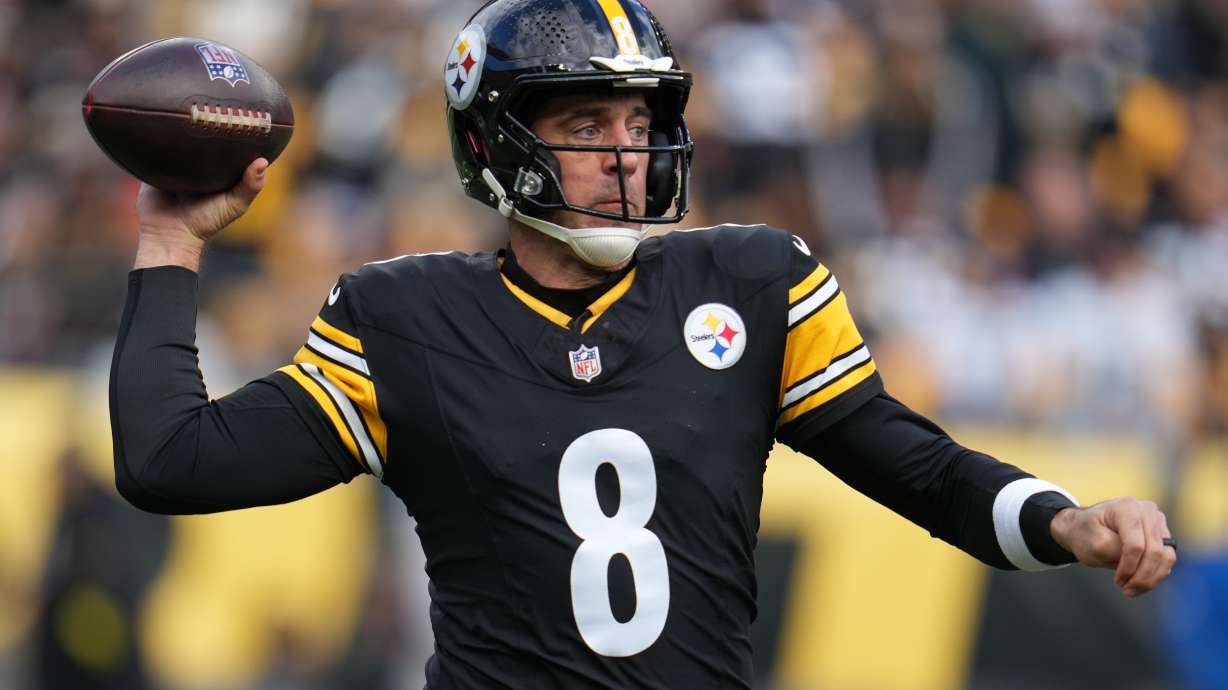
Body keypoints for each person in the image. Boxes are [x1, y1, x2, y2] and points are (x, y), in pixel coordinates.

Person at [110, 0, 1178, 687]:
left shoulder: (754, 282)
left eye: (636, 124)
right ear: (492, 142)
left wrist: (1059, 518)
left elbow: (911, 463)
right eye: (584, 127)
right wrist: (168, 237)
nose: (625, 156)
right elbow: (171, 463)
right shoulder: (404, 318)